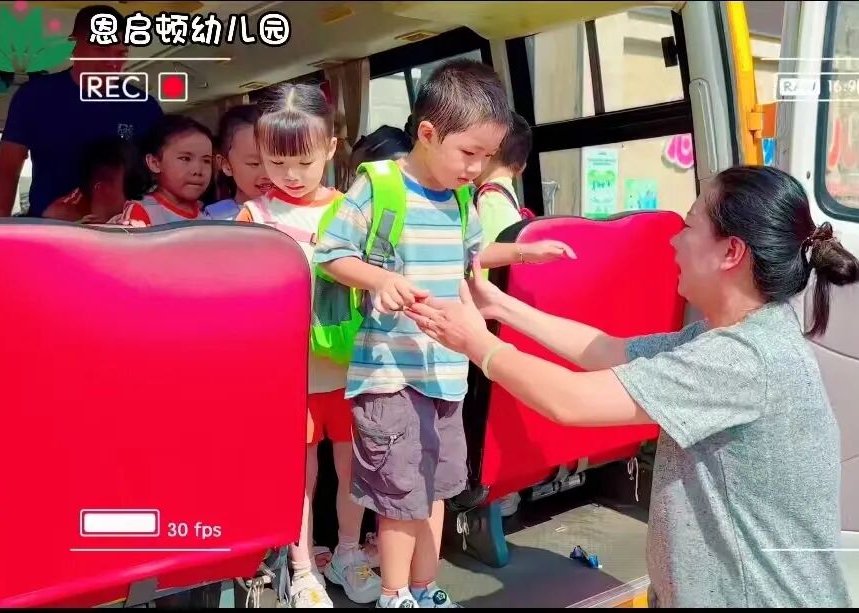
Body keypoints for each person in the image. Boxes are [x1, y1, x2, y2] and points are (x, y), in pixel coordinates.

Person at [405, 165, 859, 608]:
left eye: (689, 226)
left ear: (731, 252)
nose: (674, 240)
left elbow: (570, 401)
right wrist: (500, 306)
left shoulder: (743, 359)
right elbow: (607, 350)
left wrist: (477, 344)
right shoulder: (732, 336)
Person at [314, 58, 579, 609]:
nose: (477, 168)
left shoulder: (459, 199)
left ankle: (423, 587)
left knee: (434, 490)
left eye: (487, 156)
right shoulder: (379, 185)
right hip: (390, 373)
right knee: (399, 498)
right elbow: (332, 254)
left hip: (445, 373)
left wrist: (524, 252)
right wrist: (380, 279)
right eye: (469, 153)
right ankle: (394, 594)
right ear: (429, 134)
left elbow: (473, 255)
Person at [234, 83, 382, 608]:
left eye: (304, 161)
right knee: (300, 474)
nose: (291, 175)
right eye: (276, 163)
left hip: (351, 368)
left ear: (331, 149)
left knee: (353, 468)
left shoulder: (351, 210)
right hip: (290, 375)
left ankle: (347, 552)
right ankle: (301, 568)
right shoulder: (253, 219)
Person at [0, 5, 163, 218]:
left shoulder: (144, 107)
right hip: (51, 226)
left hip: (120, 228)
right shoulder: (35, 97)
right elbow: (6, 168)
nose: (112, 62)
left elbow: (162, 176)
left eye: (121, 53)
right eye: (101, 49)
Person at [112, 115, 214, 226]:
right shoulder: (142, 212)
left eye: (206, 161)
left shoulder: (210, 213)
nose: (197, 170)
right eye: (185, 158)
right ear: (154, 163)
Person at [40, 137, 135, 224]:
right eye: (100, 179)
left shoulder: (134, 207)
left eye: (111, 180)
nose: (104, 189)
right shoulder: (61, 212)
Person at [473, 112, 533, 246]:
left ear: (491, 150)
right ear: (521, 168)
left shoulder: (491, 202)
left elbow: (487, 257)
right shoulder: (506, 199)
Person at [206, 104, 273, 220]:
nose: (267, 174)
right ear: (226, 165)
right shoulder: (216, 220)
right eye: (254, 163)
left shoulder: (298, 214)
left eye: (276, 162)